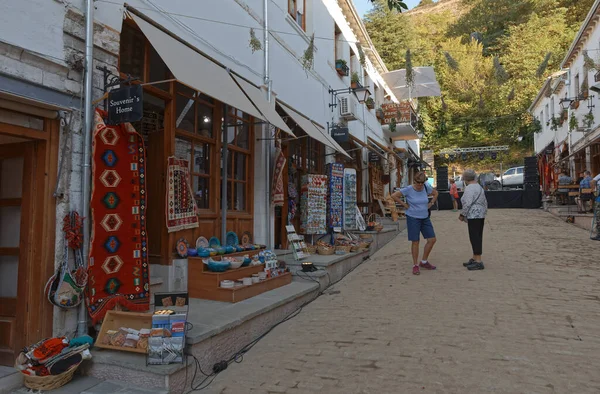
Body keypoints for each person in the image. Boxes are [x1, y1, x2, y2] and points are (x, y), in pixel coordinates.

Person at [391, 171, 439, 275]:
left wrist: (431, 203)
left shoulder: (426, 187)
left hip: (425, 217)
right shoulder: (409, 189)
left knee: (432, 239)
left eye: (422, 183)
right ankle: (415, 265)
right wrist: (404, 205)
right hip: (413, 217)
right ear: (415, 181)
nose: (420, 185)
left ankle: (424, 261)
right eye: (418, 183)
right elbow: (394, 196)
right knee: (415, 241)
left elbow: (435, 193)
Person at [459, 169, 488, 271]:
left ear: (465, 179)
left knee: (474, 237)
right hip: (481, 214)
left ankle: (478, 261)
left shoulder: (469, 188)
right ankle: (475, 258)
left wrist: (462, 214)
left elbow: (467, 203)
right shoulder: (479, 187)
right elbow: (485, 201)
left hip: (473, 215)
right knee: (478, 235)